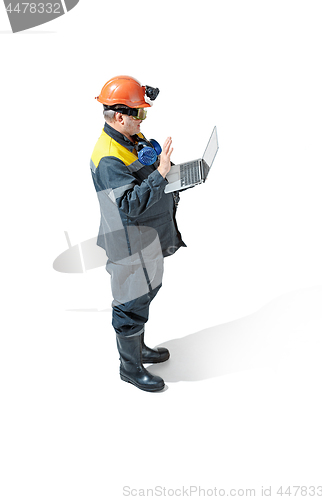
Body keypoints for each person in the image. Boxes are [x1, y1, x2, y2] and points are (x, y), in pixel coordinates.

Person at [90, 75, 186, 392]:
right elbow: (130, 204)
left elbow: (140, 173)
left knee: (145, 293)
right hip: (129, 245)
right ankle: (130, 367)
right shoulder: (108, 158)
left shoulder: (128, 137)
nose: (142, 119)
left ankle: (138, 347)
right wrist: (160, 175)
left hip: (147, 239)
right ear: (120, 116)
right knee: (130, 302)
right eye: (139, 114)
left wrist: (165, 169)